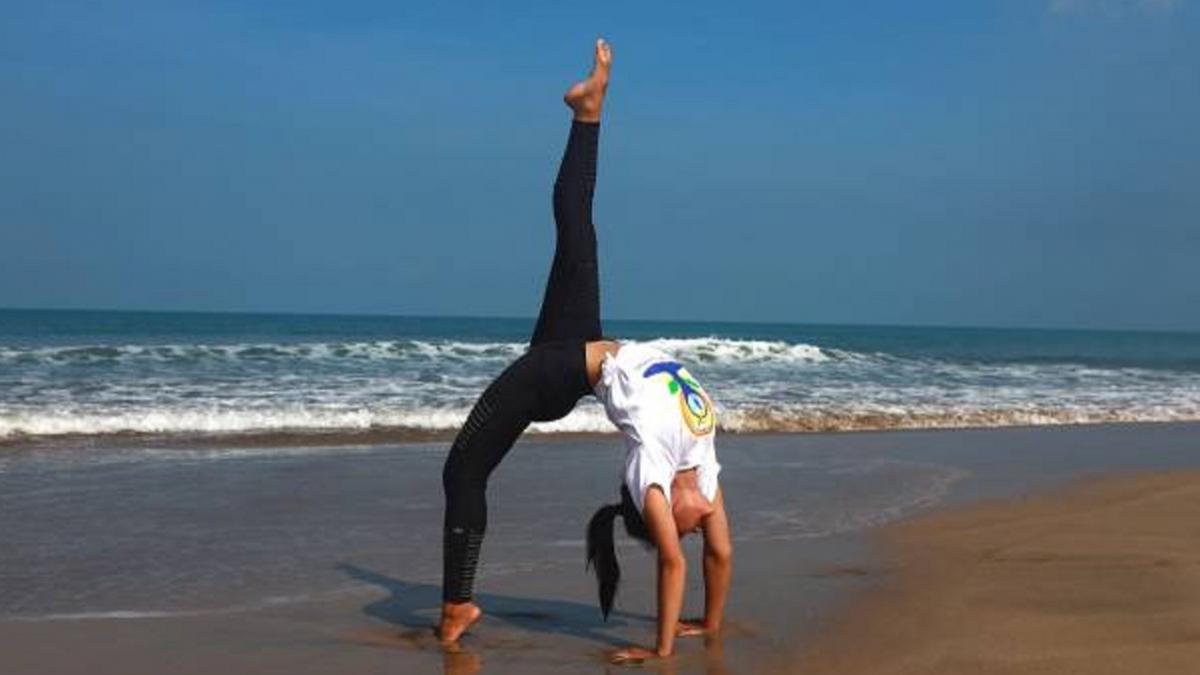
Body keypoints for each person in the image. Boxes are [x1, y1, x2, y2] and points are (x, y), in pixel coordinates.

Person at [437, 39, 733, 664]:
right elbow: (719, 554)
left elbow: (677, 563)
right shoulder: (701, 472)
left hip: (559, 372)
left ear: (653, 507)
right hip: (580, 344)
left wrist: (661, 651)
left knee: (461, 471)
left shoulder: (650, 471)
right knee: (575, 218)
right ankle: (590, 110)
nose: (699, 515)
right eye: (693, 518)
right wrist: (708, 622)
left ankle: (457, 603)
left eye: (680, 522)